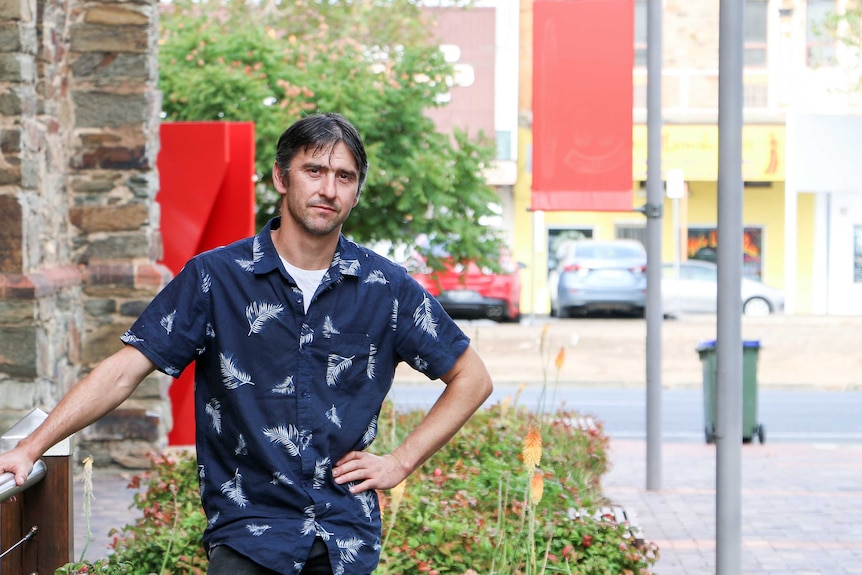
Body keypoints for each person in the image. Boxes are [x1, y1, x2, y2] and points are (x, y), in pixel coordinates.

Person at [0, 112, 493, 575]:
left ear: (357, 191)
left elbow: (472, 378)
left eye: (344, 177)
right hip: (247, 538)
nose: (328, 189)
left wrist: (399, 462)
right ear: (282, 178)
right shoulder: (216, 278)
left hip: (344, 539)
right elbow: (127, 369)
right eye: (314, 170)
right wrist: (31, 448)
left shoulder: (385, 287)